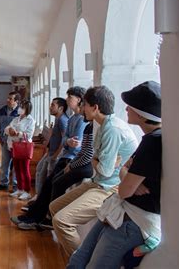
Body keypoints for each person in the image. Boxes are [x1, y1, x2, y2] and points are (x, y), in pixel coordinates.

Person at [67, 81, 162, 269]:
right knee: (79, 258)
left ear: (142, 113)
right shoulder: (149, 140)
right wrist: (126, 173)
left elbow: (124, 188)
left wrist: (125, 174)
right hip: (120, 211)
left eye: (131, 106)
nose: (126, 108)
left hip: (131, 221)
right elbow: (122, 172)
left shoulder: (152, 143)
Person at [49, 86, 138, 257]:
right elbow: (95, 158)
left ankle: (79, 262)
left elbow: (104, 170)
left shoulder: (112, 129)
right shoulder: (102, 125)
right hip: (98, 182)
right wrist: (97, 160)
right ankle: (73, 254)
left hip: (110, 188)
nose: (82, 108)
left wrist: (97, 160)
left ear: (95, 107)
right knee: (54, 207)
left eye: (85, 104)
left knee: (61, 221)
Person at [12, 104, 94, 230]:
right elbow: (67, 140)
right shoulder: (80, 122)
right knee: (49, 183)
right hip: (70, 159)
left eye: (70, 97)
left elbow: (80, 148)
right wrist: (67, 143)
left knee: (54, 184)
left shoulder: (83, 123)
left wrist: (70, 164)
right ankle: (35, 214)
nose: (67, 100)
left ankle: (44, 218)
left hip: (74, 160)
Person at [35, 97, 69, 196]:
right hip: (50, 152)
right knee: (39, 171)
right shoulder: (58, 119)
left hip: (55, 155)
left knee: (47, 177)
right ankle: (38, 197)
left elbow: (64, 140)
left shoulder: (63, 120)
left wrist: (56, 155)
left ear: (61, 108)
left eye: (53, 105)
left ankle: (40, 199)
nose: (50, 107)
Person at [5, 100, 36, 200]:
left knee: (25, 169)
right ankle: (20, 189)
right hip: (14, 146)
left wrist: (17, 133)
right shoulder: (16, 118)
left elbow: (29, 134)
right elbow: (8, 128)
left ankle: (27, 191)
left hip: (23, 147)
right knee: (16, 168)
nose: (20, 108)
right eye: (20, 106)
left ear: (27, 109)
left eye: (22, 107)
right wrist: (9, 130)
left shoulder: (30, 120)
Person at [0, 92, 20, 191]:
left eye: (10, 99)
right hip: (4, 141)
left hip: (16, 143)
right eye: (8, 98)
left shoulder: (20, 111)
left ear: (16, 101)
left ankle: (16, 184)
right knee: (5, 163)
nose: (7, 100)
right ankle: (4, 183)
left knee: (16, 163)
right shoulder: (2, 110)